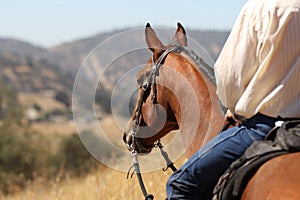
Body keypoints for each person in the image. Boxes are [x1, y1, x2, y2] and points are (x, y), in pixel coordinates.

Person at [166, 0, 300, 199]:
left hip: (265, 126)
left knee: (180, 184)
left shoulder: (262, 7)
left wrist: (233, 106)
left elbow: (228, 77)